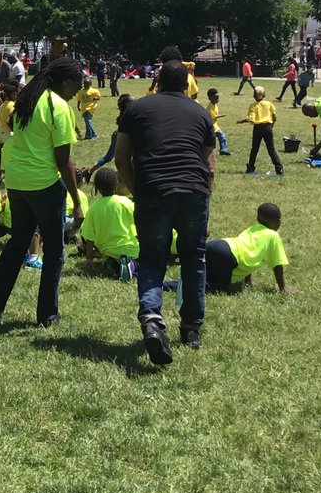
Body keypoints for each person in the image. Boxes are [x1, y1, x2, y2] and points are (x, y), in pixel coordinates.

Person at [115, 59, 215, 363]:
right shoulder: (201, 113)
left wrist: (136, 191)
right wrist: (205, 199)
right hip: (193, 192)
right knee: (193, 257)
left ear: (156, 81)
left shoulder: (136, 110)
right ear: (187, 84)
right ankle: (191, 328)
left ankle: (152, 320)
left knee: (151, 260)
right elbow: (209, 165)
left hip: (152, 191)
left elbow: (121, 159)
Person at [0, 56, 85, 328]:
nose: (78, 91)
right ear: (66, 81)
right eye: (78, 84)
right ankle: (48, 315)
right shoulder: (58, 107)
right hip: (43, 185)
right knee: (55, 252)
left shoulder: (28, 99)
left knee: (16, 246)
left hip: (16, 183)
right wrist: (77, 200)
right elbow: (63, 160)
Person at [203, 203, 290, 293]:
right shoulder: (273, 236)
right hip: (228, 255)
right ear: (278, 221)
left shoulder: (253, 228)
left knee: (201, 275)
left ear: (257, 218)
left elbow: (247, 251)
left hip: (217, 245)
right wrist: (282, 288)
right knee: (216, 287)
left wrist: (247, 281)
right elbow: (277, 266)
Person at [79, 167, 138, 283]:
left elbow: (89, 239)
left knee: (111, 262)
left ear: (97, 188)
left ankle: (115, 264)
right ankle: (131, 265)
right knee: (146, 264)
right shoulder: (127, 203)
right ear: (117, 184)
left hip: (109, 251)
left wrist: (89, 260)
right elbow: (140, 224)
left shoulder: (93, 209)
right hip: (133, 249)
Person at [237, 86, 283, 176]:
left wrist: (241, 121)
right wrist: (271, 126)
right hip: (268, 127)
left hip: (258, 128)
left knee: (254, 149)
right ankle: (279, 169)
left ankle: (250, 168)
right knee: (271, 149)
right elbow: (274, 117)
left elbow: (250, 119)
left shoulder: (253, 106)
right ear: (264, 95)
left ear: (254, 96)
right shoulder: (269, 104)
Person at [88, 94, 134, 177]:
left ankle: (89, 171)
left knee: (108, 157)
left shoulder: (125, 115)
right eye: (134, 102)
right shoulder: (129, 115)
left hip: (117, 135)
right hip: (123, 137)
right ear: (128, 105)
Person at [206, 88, 231, 156]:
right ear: (210, 98)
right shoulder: (210, 106)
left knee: (220, 137)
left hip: (214, 125)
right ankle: (223, 150)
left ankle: (223, 150)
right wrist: (221, 116)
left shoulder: (214, 104)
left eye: (218, 98)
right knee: (221, 136)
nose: (217, 100)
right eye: (216, 98)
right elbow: (213, 117)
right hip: (212, 126)